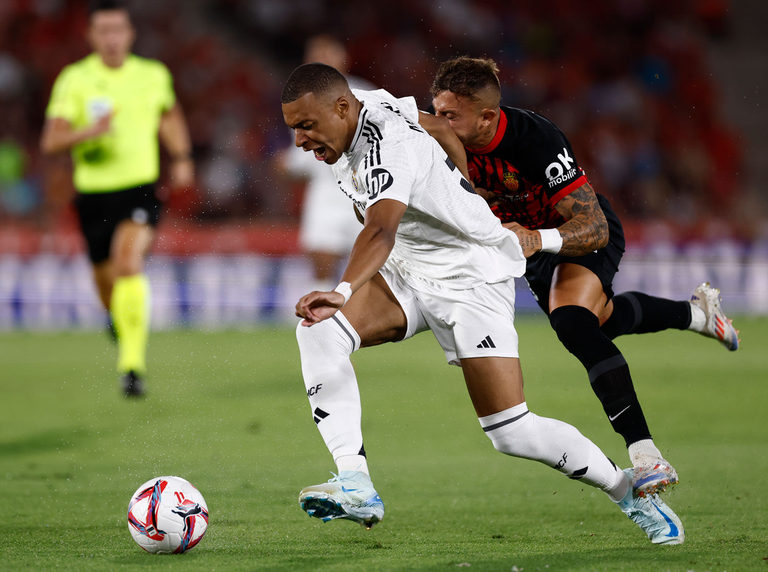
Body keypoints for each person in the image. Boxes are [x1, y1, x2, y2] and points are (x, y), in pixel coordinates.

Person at [281, 62, 684, 544]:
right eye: (293, 130)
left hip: (472, 277)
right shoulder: (377, 105)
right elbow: (432, 124)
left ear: (342, 108)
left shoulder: (384, 144)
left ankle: (626, 491)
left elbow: (380, 229)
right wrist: (464, 179)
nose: (300, 141)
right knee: (320, 328)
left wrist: (342, 289)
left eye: (306, 126)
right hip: (410, 272)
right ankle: (355, 481)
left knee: (511, 431)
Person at [429, 56, 740, 496]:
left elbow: (591, 225)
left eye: (449, 116)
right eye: (435, 112)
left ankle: (646, 454)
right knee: (602, 320)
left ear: (486, 116)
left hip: (575, 237)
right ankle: (697, 315)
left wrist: (538, 238)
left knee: (573, 321)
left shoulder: (535, 138)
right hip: (527, 246)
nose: (438, 124)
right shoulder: (435, 141)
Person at [40, 0, 193, 396]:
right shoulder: (74, 79)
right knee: (107, 286)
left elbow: (169, 115)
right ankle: (116, 320)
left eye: (118, 30)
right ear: (91, 36)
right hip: (92, 195)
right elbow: (52, 140)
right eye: (103, 31)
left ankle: (132, 368)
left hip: (139, 188)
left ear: (130, 34)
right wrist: (87, 133)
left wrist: (180, 156)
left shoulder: (152, 75)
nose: (111, 38)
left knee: (129, 264)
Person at [277, 35, 376, 292]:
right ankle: (319, 321)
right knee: (321, 261)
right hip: (325, 191)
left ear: (344, 59)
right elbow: (303, 151)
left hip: (363, 190)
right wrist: (288, 163)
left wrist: (290, 163)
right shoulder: (298, 98)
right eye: (315, 55)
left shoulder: (366, 93)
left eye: (328, 53)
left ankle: (364, 319)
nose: (321, 60)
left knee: (371, 266)